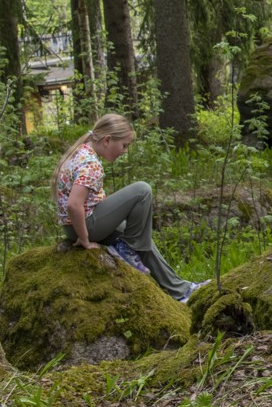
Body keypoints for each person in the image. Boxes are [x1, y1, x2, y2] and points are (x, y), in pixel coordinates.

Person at [53, 113, 199, 302]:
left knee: (141, 237)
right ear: (107, 140)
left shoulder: (81, 152)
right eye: (124, 145)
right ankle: (128, 250)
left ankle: (181, 291)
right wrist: (84, 239)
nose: (125, 151)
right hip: (85, 226)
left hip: (76, 225)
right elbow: (74, 205)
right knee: (142, 190)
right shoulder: (90, 163)